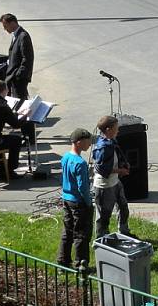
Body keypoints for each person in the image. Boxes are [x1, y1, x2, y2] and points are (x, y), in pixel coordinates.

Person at [57, 128, 94, 269]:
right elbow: (83, 187)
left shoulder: (66, 157)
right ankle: (81, 263)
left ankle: (63, 260)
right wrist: (88, 202)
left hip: (66, 199)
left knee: (67, 231)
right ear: (79, 143)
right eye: (88, 142)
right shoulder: (80, 163)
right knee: (81, 234)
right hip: (79, 202)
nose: (90, 144)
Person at [92, 115, 134, 239]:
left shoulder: (111, 141)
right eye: (116, 128)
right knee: (104, 216)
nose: (118, 130)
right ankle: (101, 239)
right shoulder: (103, 147)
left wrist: (123, 164)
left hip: (115, 182)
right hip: (104, 186)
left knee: (123, 207)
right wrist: (119, 170)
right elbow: (101, 169)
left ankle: (124, 232)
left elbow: (114, 158)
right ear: (108, 129)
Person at [0, 13, 34, 99]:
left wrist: (18, 75)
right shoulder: (15, 35)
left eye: (5, 26)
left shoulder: (23, 36)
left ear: (12, 23)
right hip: (13, 75)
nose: (4, 29)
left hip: (19, 78)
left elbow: (27, 58)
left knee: (19, 100)